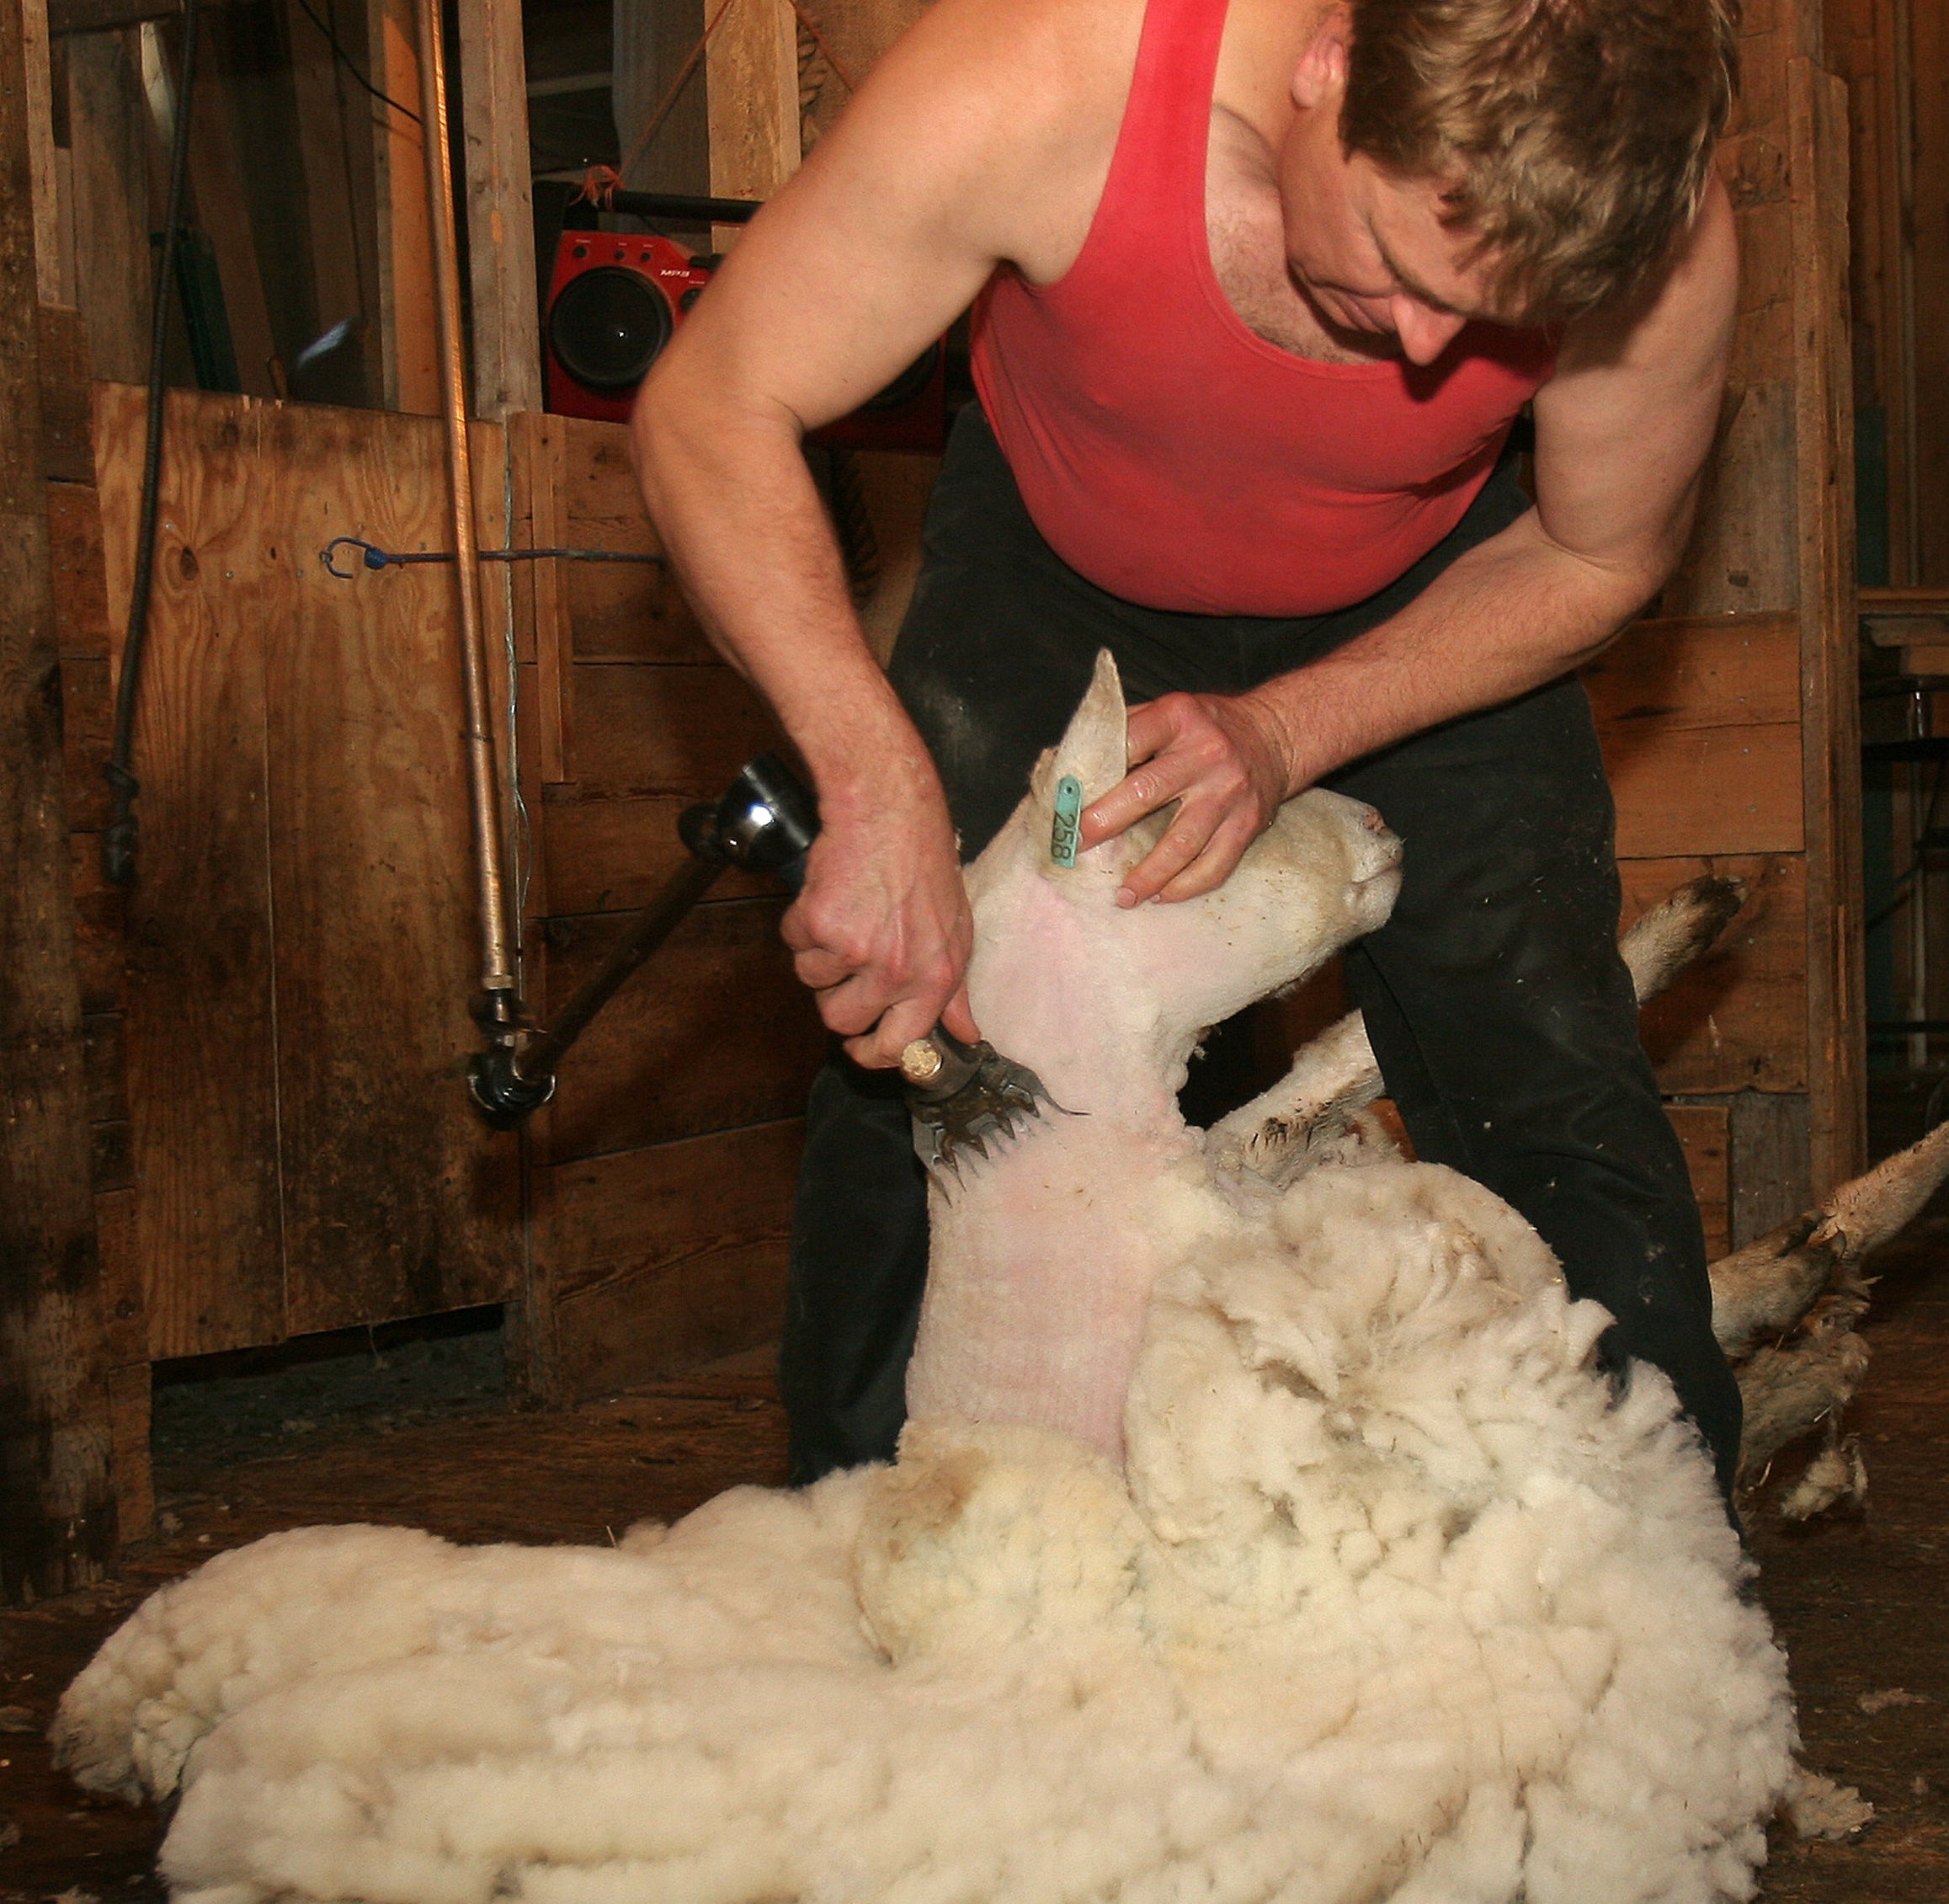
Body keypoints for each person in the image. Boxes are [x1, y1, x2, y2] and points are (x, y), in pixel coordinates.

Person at [631, 0, 1744, 1494]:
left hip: (1437, 580)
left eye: (1496, 321)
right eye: (1408, 272)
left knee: (1541, 1050)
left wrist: (1290, 729)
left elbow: (1601, 557)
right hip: (1058, 545)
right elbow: (716, 402)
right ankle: (868, 1540)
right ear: (1332, 66)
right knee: (920, 1017)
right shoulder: (1048, 75)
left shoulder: (1645, 229)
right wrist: (875, 779)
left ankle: (1655, 1583)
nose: (1428, 352)